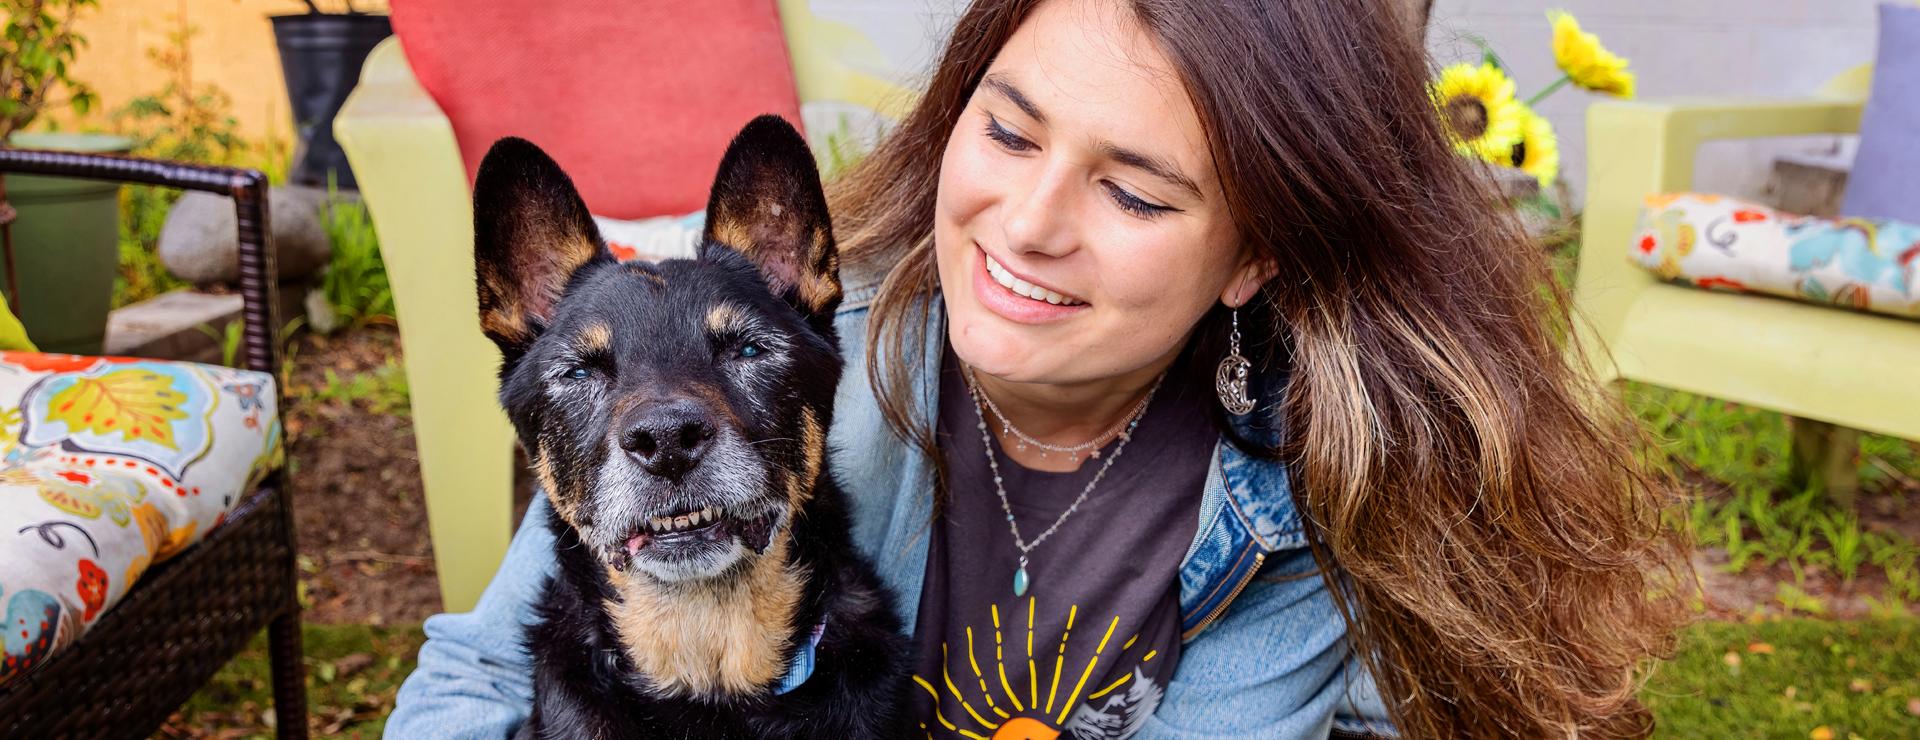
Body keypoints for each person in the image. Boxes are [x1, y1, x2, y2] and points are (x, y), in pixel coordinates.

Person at [386, 0, 1690, 737]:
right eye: (1006, 132)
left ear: (1254, 255)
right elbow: (483, 677)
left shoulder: (1307, 497)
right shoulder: (761, 357)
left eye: (1134, 193)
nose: (1026, 224)